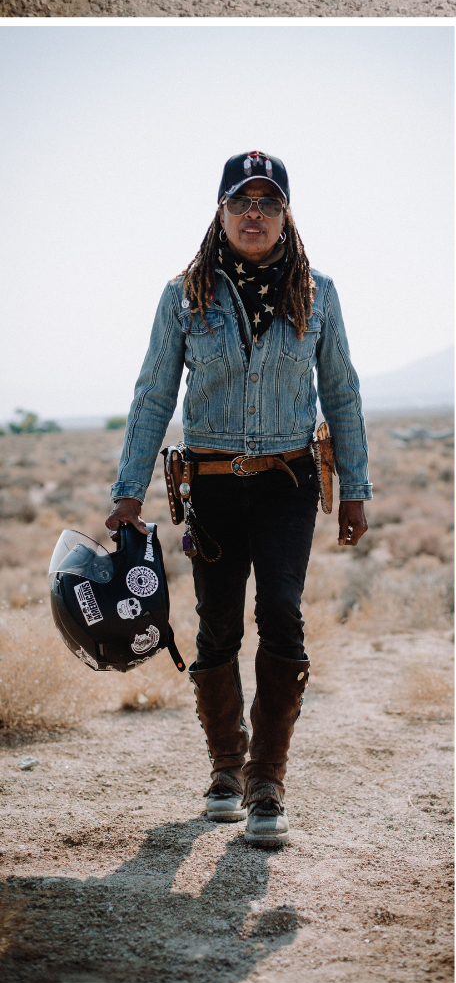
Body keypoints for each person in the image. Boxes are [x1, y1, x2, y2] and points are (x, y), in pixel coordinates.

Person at [107, 150, 372, 846]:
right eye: (240, 203)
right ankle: (226, 767)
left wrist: (355, 491)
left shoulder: (318, 294)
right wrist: (127, 492)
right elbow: (153, 394)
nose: (254, 215)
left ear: (287, 216)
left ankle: (267, 783)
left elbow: (341, 393)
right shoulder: (183, 296)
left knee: (281, 613)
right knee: (218, 624)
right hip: (213, 484)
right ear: (220, 213)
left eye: (269, 203)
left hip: (289, 483)